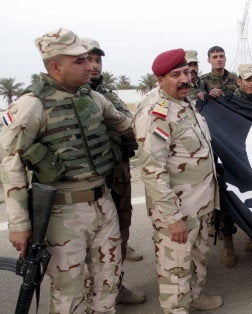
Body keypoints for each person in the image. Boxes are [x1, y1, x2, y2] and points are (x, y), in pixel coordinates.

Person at [0, 28, 133, 313]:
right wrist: (20, 225)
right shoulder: (31, 105)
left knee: (107, 283)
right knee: (67, 294)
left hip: (103, 203)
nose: (90, 66)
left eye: (88, 59)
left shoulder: (94, 98)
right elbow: (11, 165)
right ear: (55, 67)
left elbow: (127, 125)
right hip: (63, 213)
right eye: (80, 61)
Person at [134, 48, 223, 313]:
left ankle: (195, 297)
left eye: (186, 72)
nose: (184, 79)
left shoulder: (185, 103)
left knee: (198, 258)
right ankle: (177, 309)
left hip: (201, 202)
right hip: (178, 209)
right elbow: (152, 171)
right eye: (176, 74)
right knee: (175, 267)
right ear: (160, 80)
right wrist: (173, 218)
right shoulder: (155, 113)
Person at [82, 37, 147, 305]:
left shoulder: (107, 94)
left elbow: (129, 125)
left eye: (98, 60)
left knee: (120, 229)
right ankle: (91, 291)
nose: (95, 66)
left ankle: (115, 287)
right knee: (87, 239)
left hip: (117, 174)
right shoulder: (66, 97)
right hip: (85, 182)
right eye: (88, 59)